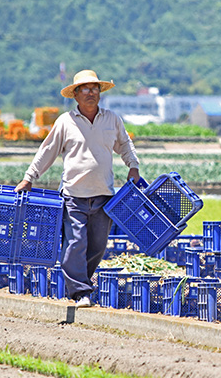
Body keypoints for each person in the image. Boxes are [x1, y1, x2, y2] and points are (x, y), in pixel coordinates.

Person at [14, 69, 141, 308]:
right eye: (85, 89)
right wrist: (29, 177)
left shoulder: (111, 119)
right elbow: (47, 151)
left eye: (95, 88)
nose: (91, 93)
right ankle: (81, 291)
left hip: (104, 195)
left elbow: (125, 144)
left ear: (100, 93)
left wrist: (133, 166)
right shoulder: (66, 121)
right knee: (75, 244)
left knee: (97, 246)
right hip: (74, 195)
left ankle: (80, 283)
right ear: (76, 94)